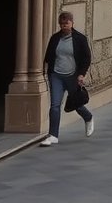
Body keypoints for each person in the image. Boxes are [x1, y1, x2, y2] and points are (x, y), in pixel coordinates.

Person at [40, 11, 94, 146]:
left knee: (76, 103)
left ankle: (88, 117)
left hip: (72, 76)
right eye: (62, 24)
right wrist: (46, 71)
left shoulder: (80, 39)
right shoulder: (55, 38)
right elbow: (48, 56)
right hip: (56, 75)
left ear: (72, 23)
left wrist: (81, 74)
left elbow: (86, 58)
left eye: (67, 23)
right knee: (55, 105)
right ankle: (53, 135)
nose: (64, 26)